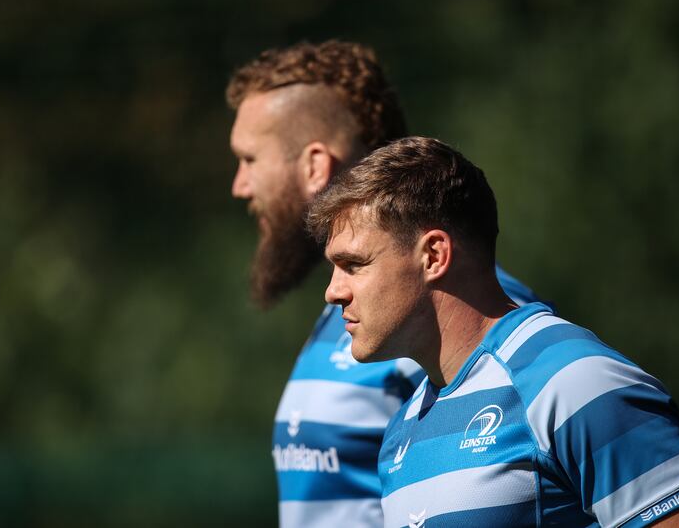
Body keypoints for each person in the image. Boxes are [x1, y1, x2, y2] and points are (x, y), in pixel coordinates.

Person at [307, 136, 679, 527]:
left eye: (354, 265)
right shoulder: (403, 427)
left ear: (433, 256)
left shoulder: (572, 380)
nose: (332, 292)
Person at [226, 42, 544, 527]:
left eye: (249, 159)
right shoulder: (344, 309)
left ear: (314, 165)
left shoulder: (461, 303)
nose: (239, 186)